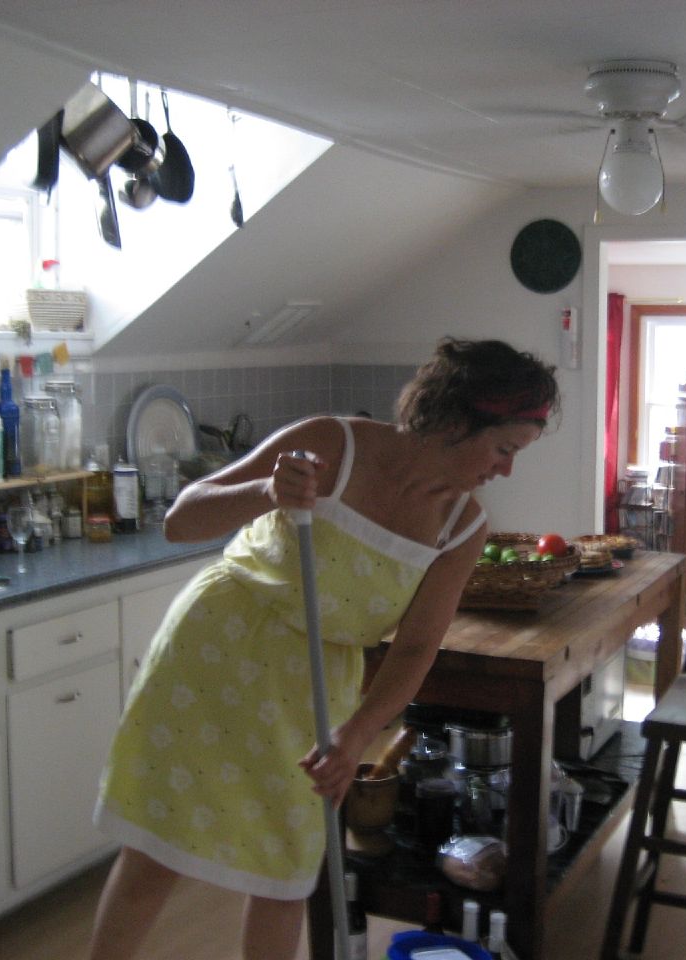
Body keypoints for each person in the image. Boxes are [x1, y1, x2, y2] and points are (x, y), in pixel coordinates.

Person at [87, 338, 559, 960]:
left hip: (312, 694)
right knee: (157, 851)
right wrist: (268, 495)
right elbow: (182, 520)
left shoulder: (463, 528)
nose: (506, 469)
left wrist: (359, 733)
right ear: (453, 420)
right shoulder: (333, 445)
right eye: (503, 449)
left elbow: (416, 648)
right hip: (212, 660)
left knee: (285, 876)